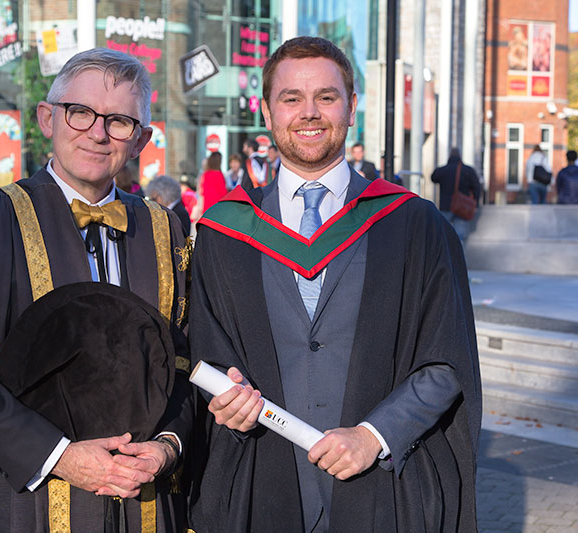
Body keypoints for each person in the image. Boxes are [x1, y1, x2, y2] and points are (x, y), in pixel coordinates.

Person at [0, 48, 192, 532]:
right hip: (26, 501)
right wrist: (62, 458)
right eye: (81, 112)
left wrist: (166, 447)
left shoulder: (164, 231)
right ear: (47, 118)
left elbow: (179, 365)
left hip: (141, 500)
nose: (97, 132)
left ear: (140, 140)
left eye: (119, 121)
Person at [188, 36, 481, 532]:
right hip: (262, 485)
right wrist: (225, 399)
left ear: (351, 107)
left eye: (326, 96)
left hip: (382, 492)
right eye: (291, 98)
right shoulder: (223, 233)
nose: (309, 113)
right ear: (267, 111)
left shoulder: (412, 224)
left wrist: (374, 435)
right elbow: (206, 349)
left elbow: (446, 359)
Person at [431, 148, 482, 242]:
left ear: (449, 157)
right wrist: (476, 202)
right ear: (460, 157)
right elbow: (477, 187)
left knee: (443, 236)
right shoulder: (468, 171)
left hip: (446, 206)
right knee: (460, 237)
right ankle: (458, 256)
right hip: (463, 208)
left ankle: (446, 256)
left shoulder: (443, 170)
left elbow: (433, 177)